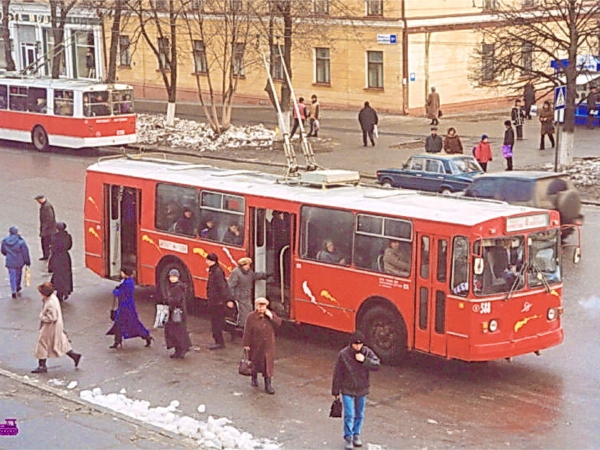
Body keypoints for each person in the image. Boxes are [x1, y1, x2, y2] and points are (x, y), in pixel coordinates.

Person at [331, 330, 380, 450]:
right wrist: (335, 391)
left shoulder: (366, 352)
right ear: (351, 344)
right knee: (349, 414)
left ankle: (356, 435)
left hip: (362, 388)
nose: (358, 346)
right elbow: (338, 373)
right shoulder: (343, 354)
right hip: (347, 388)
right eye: (355, 344)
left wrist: (364, 360)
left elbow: (377, 364)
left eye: (360, 344)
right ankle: (348, 436)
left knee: (359, 414)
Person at [32, 282, 82, 373]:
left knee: (42, 344)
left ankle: (42, 366)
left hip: (50, 328)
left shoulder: (50, 303)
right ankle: (74, 356)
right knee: (61, 342)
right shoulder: (53, 298)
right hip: (57, 326)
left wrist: (42, 317)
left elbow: (52, 317)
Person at [243, 297, 282, 394]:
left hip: (268, 345)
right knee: (255, 362)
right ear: (256, 306)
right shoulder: (251, 317)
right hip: (255, 344)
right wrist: (246, 344)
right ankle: (254, 377)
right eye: (259, 306)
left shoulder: (270, 315)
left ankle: (268, 384)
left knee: (267, 364)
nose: (261, 308)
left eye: (263, 306)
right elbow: (247, 331)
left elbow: (279, 323)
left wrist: (271, 317)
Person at [106, 267, 153, 349]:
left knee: (130, 323)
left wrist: (115, 291)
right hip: (126, 306)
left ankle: (146, 336)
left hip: (126, 307)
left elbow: (122, 293)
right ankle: (117, 341)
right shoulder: (128, 281)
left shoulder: (127, 283)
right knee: (120, 324)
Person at [228, 257, 268, 331]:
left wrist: (264, 275)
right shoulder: (236, 272)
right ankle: (241, 327)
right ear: (242, 265)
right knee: (243, 312)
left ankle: (245, 326)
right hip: (239, 296)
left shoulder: (248, 272)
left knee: (248, 310)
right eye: (247, 265)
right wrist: (231, 298)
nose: (248, 267)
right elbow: (231, 286)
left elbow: (254, 276)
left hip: (246, 295)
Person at [164, 268, 192, 358]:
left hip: (176, 312)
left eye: (174, 276)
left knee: (176, 331)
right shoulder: (178, 287)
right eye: (170, 276)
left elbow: (176, 300)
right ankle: (180, 349)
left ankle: (181, 349)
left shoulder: (176, 288)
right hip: (178, 312)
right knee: (178, 331)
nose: (171, 278)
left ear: (177, 277)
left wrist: (168, 300)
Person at [206, 253, 229, 350]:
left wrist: (223, 300)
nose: (206, 262)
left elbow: (222, 287)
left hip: (217, 302)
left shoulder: (217, 272)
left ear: (212, 261)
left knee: (216, 323)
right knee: (219, 321)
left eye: (208, 260)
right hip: (215, 301)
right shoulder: (214, 270)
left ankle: (219, 342)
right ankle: (231, 331)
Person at [1, 226, 31, 299]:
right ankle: (17, 287)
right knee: (18, 275)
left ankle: (13, 290)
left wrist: (8, 254)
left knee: (12, 276)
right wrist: (27, 261)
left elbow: (3, 251)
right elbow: (25, 252)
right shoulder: (21, 241)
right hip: (19, 261)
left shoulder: (5, 241)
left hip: (10, 260)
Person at [49, 222, 73, 302]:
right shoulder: (68, 236)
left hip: (57, 258)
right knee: (66, 275)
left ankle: (59, 292)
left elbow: (53, 248)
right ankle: (65, 291)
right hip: (65, 257)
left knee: (58, 275)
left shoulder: (54, 237)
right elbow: (69, 246)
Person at [35, 194, 57, 261]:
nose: (38, 202)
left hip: (49, 230)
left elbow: (50, 218)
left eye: (38, 200)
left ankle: (47, 256)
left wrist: (44, 228)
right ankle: (46, 255)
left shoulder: (47, 207)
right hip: (47, 229)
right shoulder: (44, 206)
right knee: (44, 243)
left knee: (46, 243)